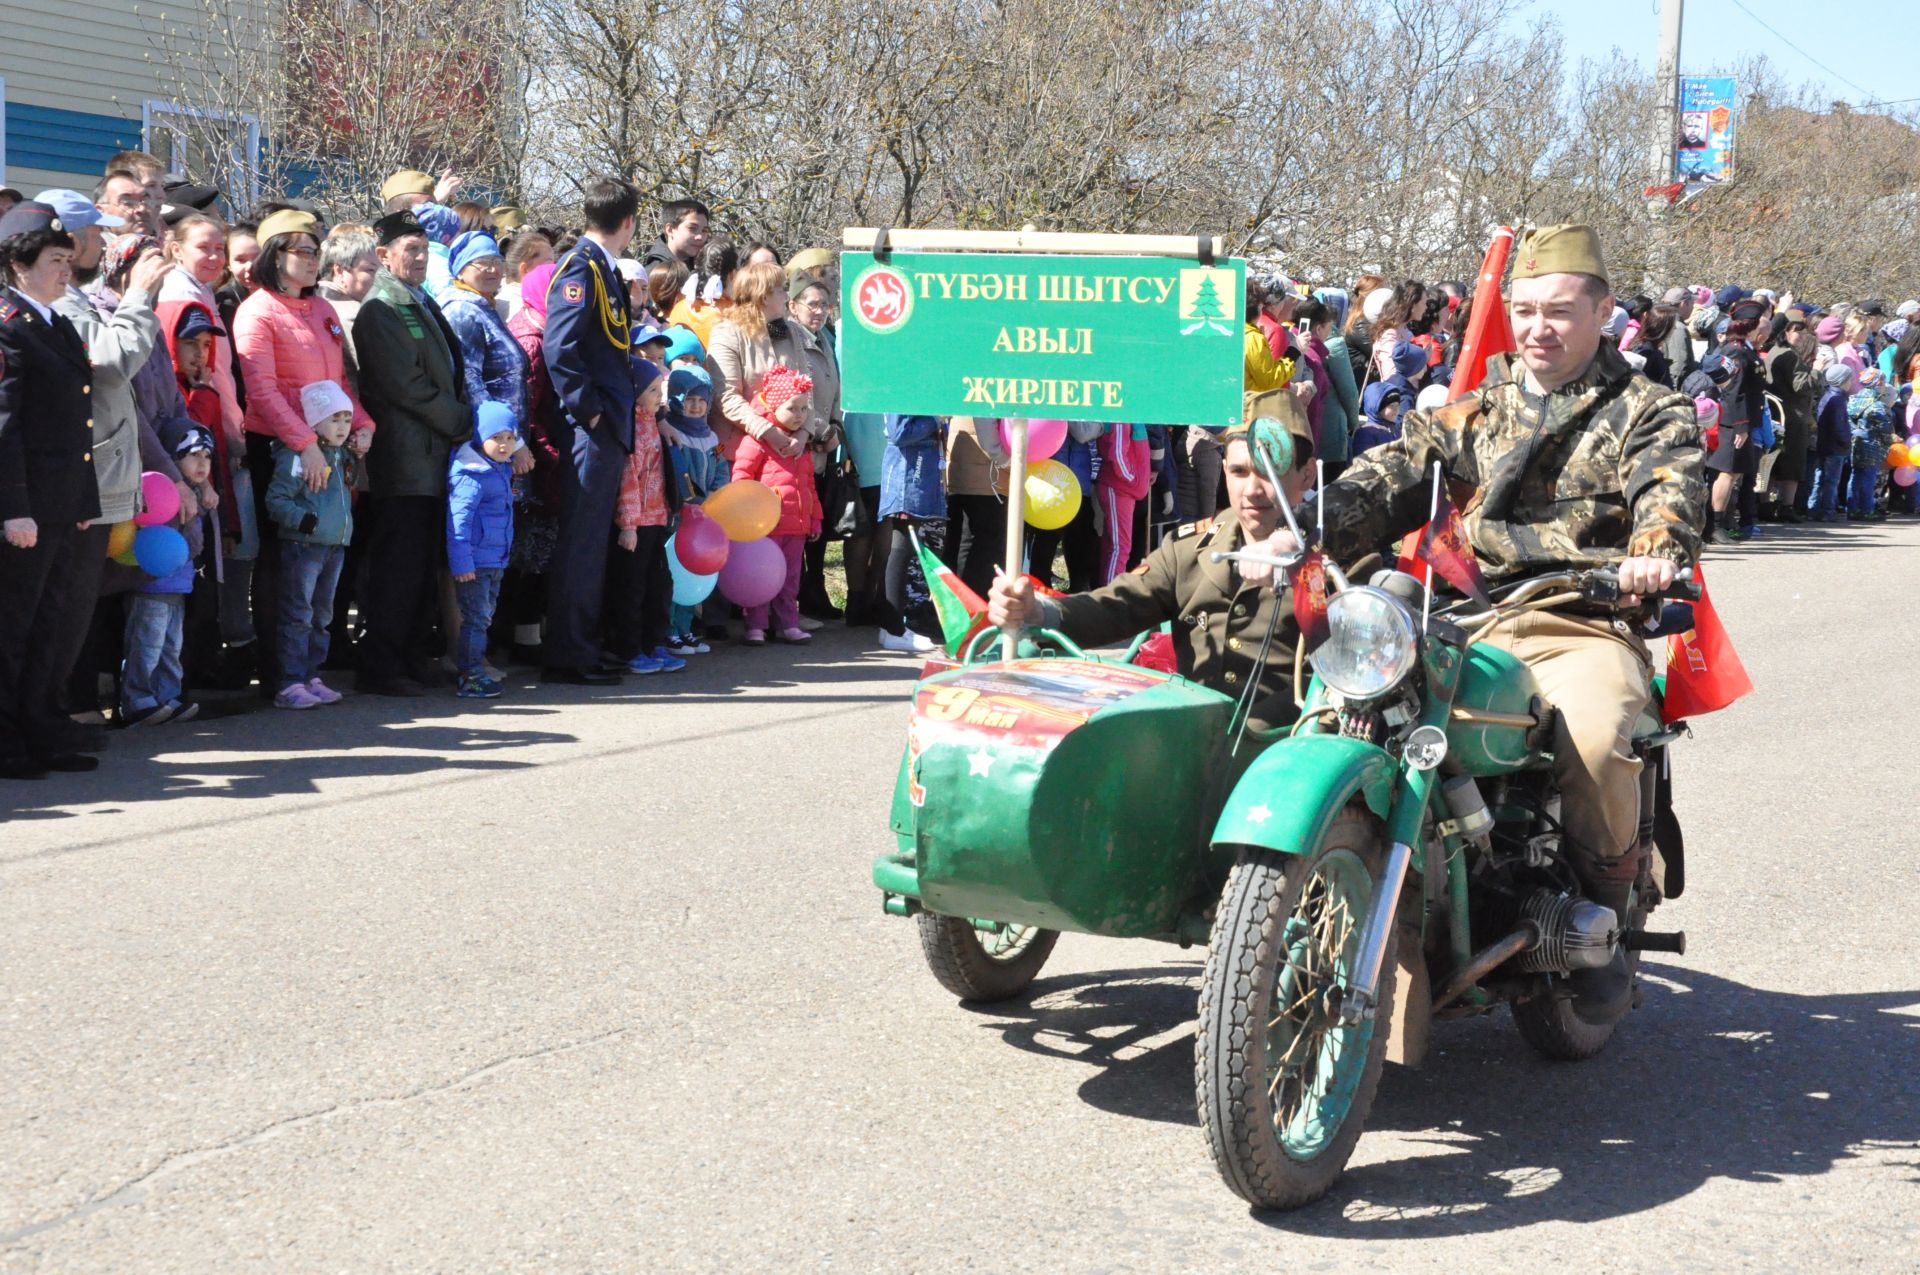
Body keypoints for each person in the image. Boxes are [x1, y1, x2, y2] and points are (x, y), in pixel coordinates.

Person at [1244, 224, 1706, 1026]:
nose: (1537, 327)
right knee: (1342, 702)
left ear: (1603, 311)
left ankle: (1601, 923)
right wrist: (1304, 533)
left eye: (1559, 310)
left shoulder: (1650, 410)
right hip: (1472, 613)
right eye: (1524, 309)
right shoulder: (1477, 408)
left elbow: (1668, 491)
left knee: (1596, 738)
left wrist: (1653, 551)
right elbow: (1389, 474)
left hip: (1582, 618)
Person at [987, 405, 1317, 734]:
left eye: (1271, 470)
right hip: (1193, 737)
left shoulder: (1334, 558)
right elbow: (1118, 605)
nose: (1252, 490)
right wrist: (1037, 611)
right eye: (1240, 471)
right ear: (1223, 469)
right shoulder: (1189, 548)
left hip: (1286, 749)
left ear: (1307, 475)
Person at [233, 208, 375, 695]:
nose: (313, 259)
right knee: (284, 561)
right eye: (302, 250)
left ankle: (308, 670)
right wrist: (303, 443)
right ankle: (280, 675)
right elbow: (262, 391)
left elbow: (338, 384)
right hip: (279, 444)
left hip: (327, 446)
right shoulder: (257, 310)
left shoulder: (322, 310)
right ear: (275, 255)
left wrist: (362, 423)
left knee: (321, 563)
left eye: (316, 251)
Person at [0, 202, 105, 775]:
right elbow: (5, 426)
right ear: (20, 263)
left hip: (62, 502)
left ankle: (40, 727)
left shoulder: (55, 323)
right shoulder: (8, 327)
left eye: (69, 258)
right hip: (28, 505)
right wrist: (14, 509)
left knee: (50, 624)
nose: (67, 269)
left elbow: (78, 423)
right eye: (55, 259)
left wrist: (82, 502)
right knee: (13, 626)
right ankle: (6, 737)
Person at [353, 209, 470, 696]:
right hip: (404, 457)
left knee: (422, 565)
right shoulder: (381, 308)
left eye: (424, 250)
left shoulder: (414, 300)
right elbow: (408, 386)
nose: (421, 259)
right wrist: (465, 422)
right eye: (411, 250)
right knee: (398, 566)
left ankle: (414, 653)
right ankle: (382, 664)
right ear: (383, 256)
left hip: (429, 452)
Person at [541, 177, 642, 685]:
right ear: (628, 222)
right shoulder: (580, 268)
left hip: (607, 422)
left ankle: (583, 643)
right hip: (591, 427)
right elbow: (559, 348)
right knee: (581, 543)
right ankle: (569, 653)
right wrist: (591, 411)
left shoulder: (601, 267)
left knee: (592, 542)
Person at [263, 380, 356, 709]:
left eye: (347, 419)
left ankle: (311, 675)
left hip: (334, 546)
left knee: (322, 616)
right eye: (334, 418)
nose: (343, 426)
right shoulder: (296, 456)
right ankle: (290, 682)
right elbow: (277, 499)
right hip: (305, 546)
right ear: (314, 421)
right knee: (298, 614)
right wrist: (305, 520)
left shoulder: (343, 455)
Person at [121, 426, 217, 726]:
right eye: (193, 456)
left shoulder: (199, 494)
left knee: (171, 647)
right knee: (146, 645)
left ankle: (167, 697)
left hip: (178, 585)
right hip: (152, 584)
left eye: (207, 456)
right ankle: (137, 700)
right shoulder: (162, 492)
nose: (202, 464)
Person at [729, 364, 819, 644]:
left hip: (796, 526)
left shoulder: (800, 446)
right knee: (760, 576)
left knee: (790, 578)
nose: (799, 416)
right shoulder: (756, 441)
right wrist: (745, 513)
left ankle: (787, 623)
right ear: (773, 404)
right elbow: (741, 478)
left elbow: (809, 486)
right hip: (764, 525)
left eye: (804, 410)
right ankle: (756, 624)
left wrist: (814, 517)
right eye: (793, 408)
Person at [608, 357, 683, 672]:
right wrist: (628, 525)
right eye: (653, 390)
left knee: (659, 584)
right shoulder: (632, 428)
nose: (659, 397)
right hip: (636, 522)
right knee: (632, 588)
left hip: (657, 517)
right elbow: (628, 479)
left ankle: (654, 643)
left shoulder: (653, 422)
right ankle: (629, 648)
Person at [447, 400, 521, 698]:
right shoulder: (471, 475)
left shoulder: (499, 470)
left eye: (510, 438)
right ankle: (470, 674)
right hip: (475, 563)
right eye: (496, 438)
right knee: (476, 619)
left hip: (494, 560)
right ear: (481, 438)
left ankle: (474, 668)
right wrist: (462, 563)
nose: (504, 445)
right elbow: (458, 522)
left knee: (484, 617)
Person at [704, 259, 807, 460]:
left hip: (789, 453)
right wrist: (767, 431)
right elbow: (726, 396)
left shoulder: (792, 332)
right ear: (764, 296)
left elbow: (805, 389)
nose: (787, 296)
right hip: (741, 454)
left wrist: (804, 434)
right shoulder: (726, 332)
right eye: (781, 290)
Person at [659, 365, 725, 652]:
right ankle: (668, 628)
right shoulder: (673, 435)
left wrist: (716, 494)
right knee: (675, 572)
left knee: (695, 572)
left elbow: (721, 469)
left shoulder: (711, 437)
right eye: (689, 400)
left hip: (705, 514)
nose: (696, 407)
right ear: (675, 400)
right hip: (680, 514)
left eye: (701, 400)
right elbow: (674, 472)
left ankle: (685, 627)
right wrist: (688, 501)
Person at [875, 413, 943, 654]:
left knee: (903, 549)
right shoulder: (903, 386)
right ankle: (893, 629)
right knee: (900, 550)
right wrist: (936, 420)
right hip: (907, 473)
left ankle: (890, 627)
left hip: (915, 471)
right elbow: (899, 432)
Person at [941, 416, 1008, 599]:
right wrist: (1007, 461)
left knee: (960, 543)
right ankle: (973, 612)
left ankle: (956, 610)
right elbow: (986, 426)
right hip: (986, 473)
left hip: (967, 469)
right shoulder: (988, 388)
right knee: (978, 549)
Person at [1095, 424, 1153, 586]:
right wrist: (1131, 478)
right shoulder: (1122, 417)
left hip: (1126, 490)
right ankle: (1110, 598)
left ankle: (1105, 591)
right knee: (1119, 547)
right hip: (1119, 488)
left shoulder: (1132, 415)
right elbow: (1118, 453)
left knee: (1114, 545)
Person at [1809, 365, 1853, 522]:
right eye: (1849, 380)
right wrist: (1847, 441)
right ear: (1842, 381)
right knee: (1832, 480)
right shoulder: (1838, 400)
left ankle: (1813, 508)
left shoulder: (1827, 396)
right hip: (1835, 447)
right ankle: (1828, 510)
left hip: (1824, 444)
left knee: (1819, 478)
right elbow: (1839, 426)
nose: (1851, 383)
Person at [640, 198, 711, 271]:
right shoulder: (654, 275)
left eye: (704, 230)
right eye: (692, 228)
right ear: (670, 230)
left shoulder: (707, 270)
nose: (700, 237)